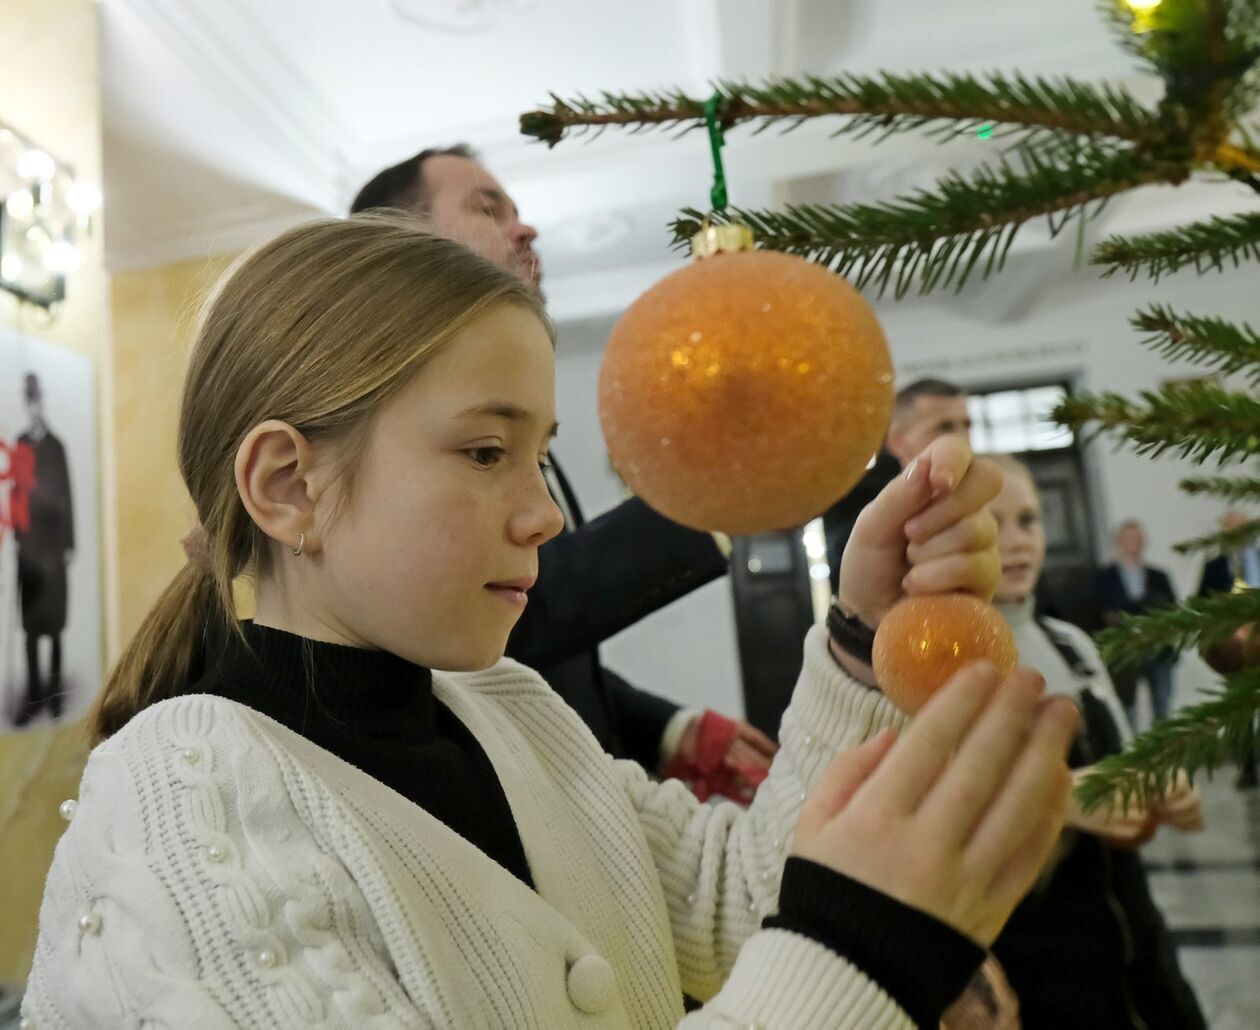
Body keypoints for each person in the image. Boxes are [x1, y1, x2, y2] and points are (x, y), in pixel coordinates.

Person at [24, 216, 1079, 1028]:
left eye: (541, 456)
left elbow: (731, 896)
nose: (547, 514)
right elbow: (817, 931)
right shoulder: (175, 805)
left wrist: (862, 631)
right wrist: (860, 952)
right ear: (289, 483)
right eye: (487, 453)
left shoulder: (512, 709)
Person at [351, 146, 774, 792]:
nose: (527, 229)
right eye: (488, 209)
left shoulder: (504, 402)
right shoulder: (377, 409)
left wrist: (669, 728)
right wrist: (700, 497)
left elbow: (528, 640)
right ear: (403, 238)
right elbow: (487, 620)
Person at [986, 454, 1207, 1030]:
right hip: (1038, 964)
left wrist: (1160, 786)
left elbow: (1123, 771)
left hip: (1135, 947)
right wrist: (1056, 800)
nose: (1016, 542)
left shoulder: (1071, 646)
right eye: (992, 523)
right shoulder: (941, 662)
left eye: (1028, 521)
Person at [822, 377, 971, 593]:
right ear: (897, 440)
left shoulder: (985, 488)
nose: (961, 438)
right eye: (945, 427)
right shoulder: (856, 503)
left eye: (967, 425)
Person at [12, 372, 74, 727]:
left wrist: (69, 544)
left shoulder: (56, 446)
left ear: (42, 403)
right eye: (29, 401)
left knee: (54, 624)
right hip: (29, 549)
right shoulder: (20, 444)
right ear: (27, 404)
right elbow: (16, 493)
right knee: (32, 626)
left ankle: (54, 696)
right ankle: (34, 697)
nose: (34, 407)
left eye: (38, 401)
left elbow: (67, 497)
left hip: (54, 549)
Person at [1095, 519, 1179, 729]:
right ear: (1118, 542)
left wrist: (1128, 613)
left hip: (1158, 649)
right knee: (1126, 708)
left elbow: (1172, 610)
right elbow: (1101, 611)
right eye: (1128, 538)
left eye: (1137, 539)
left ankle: (1162, 754)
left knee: (1163, 705)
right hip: (1123, 651)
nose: (1133, 543)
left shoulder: (1159, 576)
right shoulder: (1105, 577)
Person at [1197, 509, 1259, 788]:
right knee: (1240, 711)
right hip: (1234, 653)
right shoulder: (1214, 567)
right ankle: (1248, 767)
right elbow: (1201, 606)